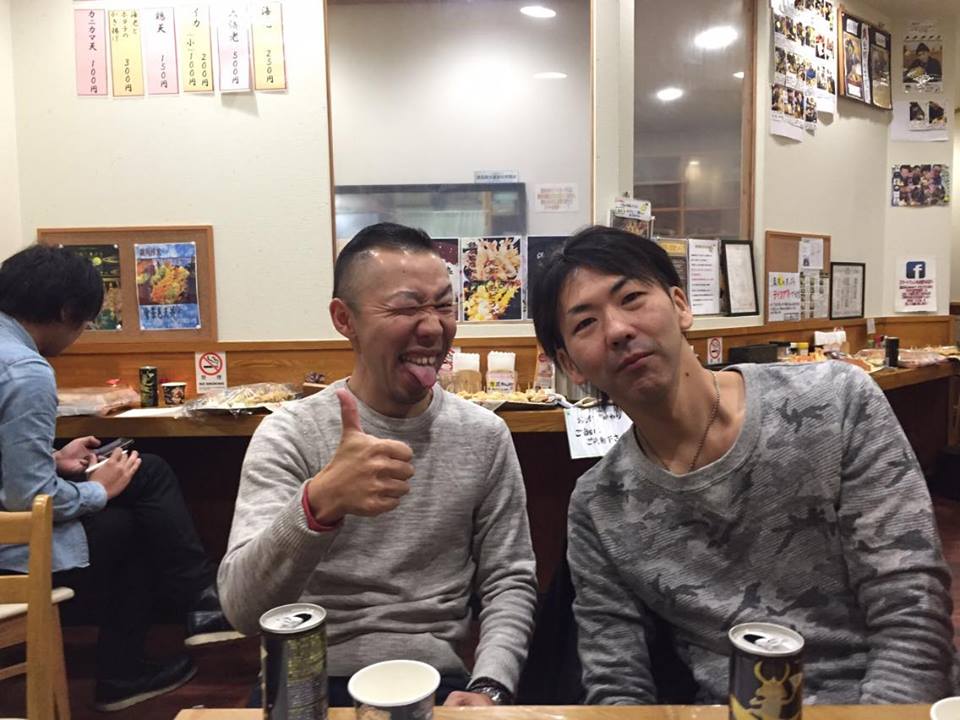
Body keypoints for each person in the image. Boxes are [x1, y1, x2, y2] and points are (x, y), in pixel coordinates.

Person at [530, 225, 956, 705]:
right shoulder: (599, 505)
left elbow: (912, 615)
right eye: (585, 323)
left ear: (680, 305)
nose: (617, 330)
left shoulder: (835, 402)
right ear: (570, 365)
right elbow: (617, 684)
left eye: (631, 298)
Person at [218, 222, 537, 706]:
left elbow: (509, 579)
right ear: (344, 319)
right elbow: (242, 609)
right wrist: (318, 505)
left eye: (443, 306)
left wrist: (491, 684)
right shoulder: (290, 433)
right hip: (307, 680)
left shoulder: (484, 435)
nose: (433, 328)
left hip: (434, 680)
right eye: (407, 308)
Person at [0, 245, 240, 712]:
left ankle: (197, 609)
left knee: (145, 479)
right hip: (10, 553)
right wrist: (97, 490)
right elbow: (29, 499)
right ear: (66, 311)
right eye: (85, 322)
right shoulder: (26, 371)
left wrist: (54, 458)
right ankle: (183, 621)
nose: (80, 334)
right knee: (133, 517)